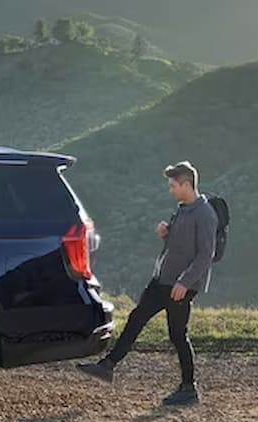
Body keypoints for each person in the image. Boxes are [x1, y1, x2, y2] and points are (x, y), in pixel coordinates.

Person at [77, 161, 218, 405]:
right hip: (161, 281)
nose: (171, 189)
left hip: (179, 287)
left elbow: (206, 255)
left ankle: (189, 388)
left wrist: (184, 283)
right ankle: (108, 366)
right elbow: (179, 246)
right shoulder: (183, 208)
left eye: (173, 185)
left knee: (177, 335)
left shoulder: (205, 214)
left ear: (186, 184)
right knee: (136, 318)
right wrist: (167, 232)